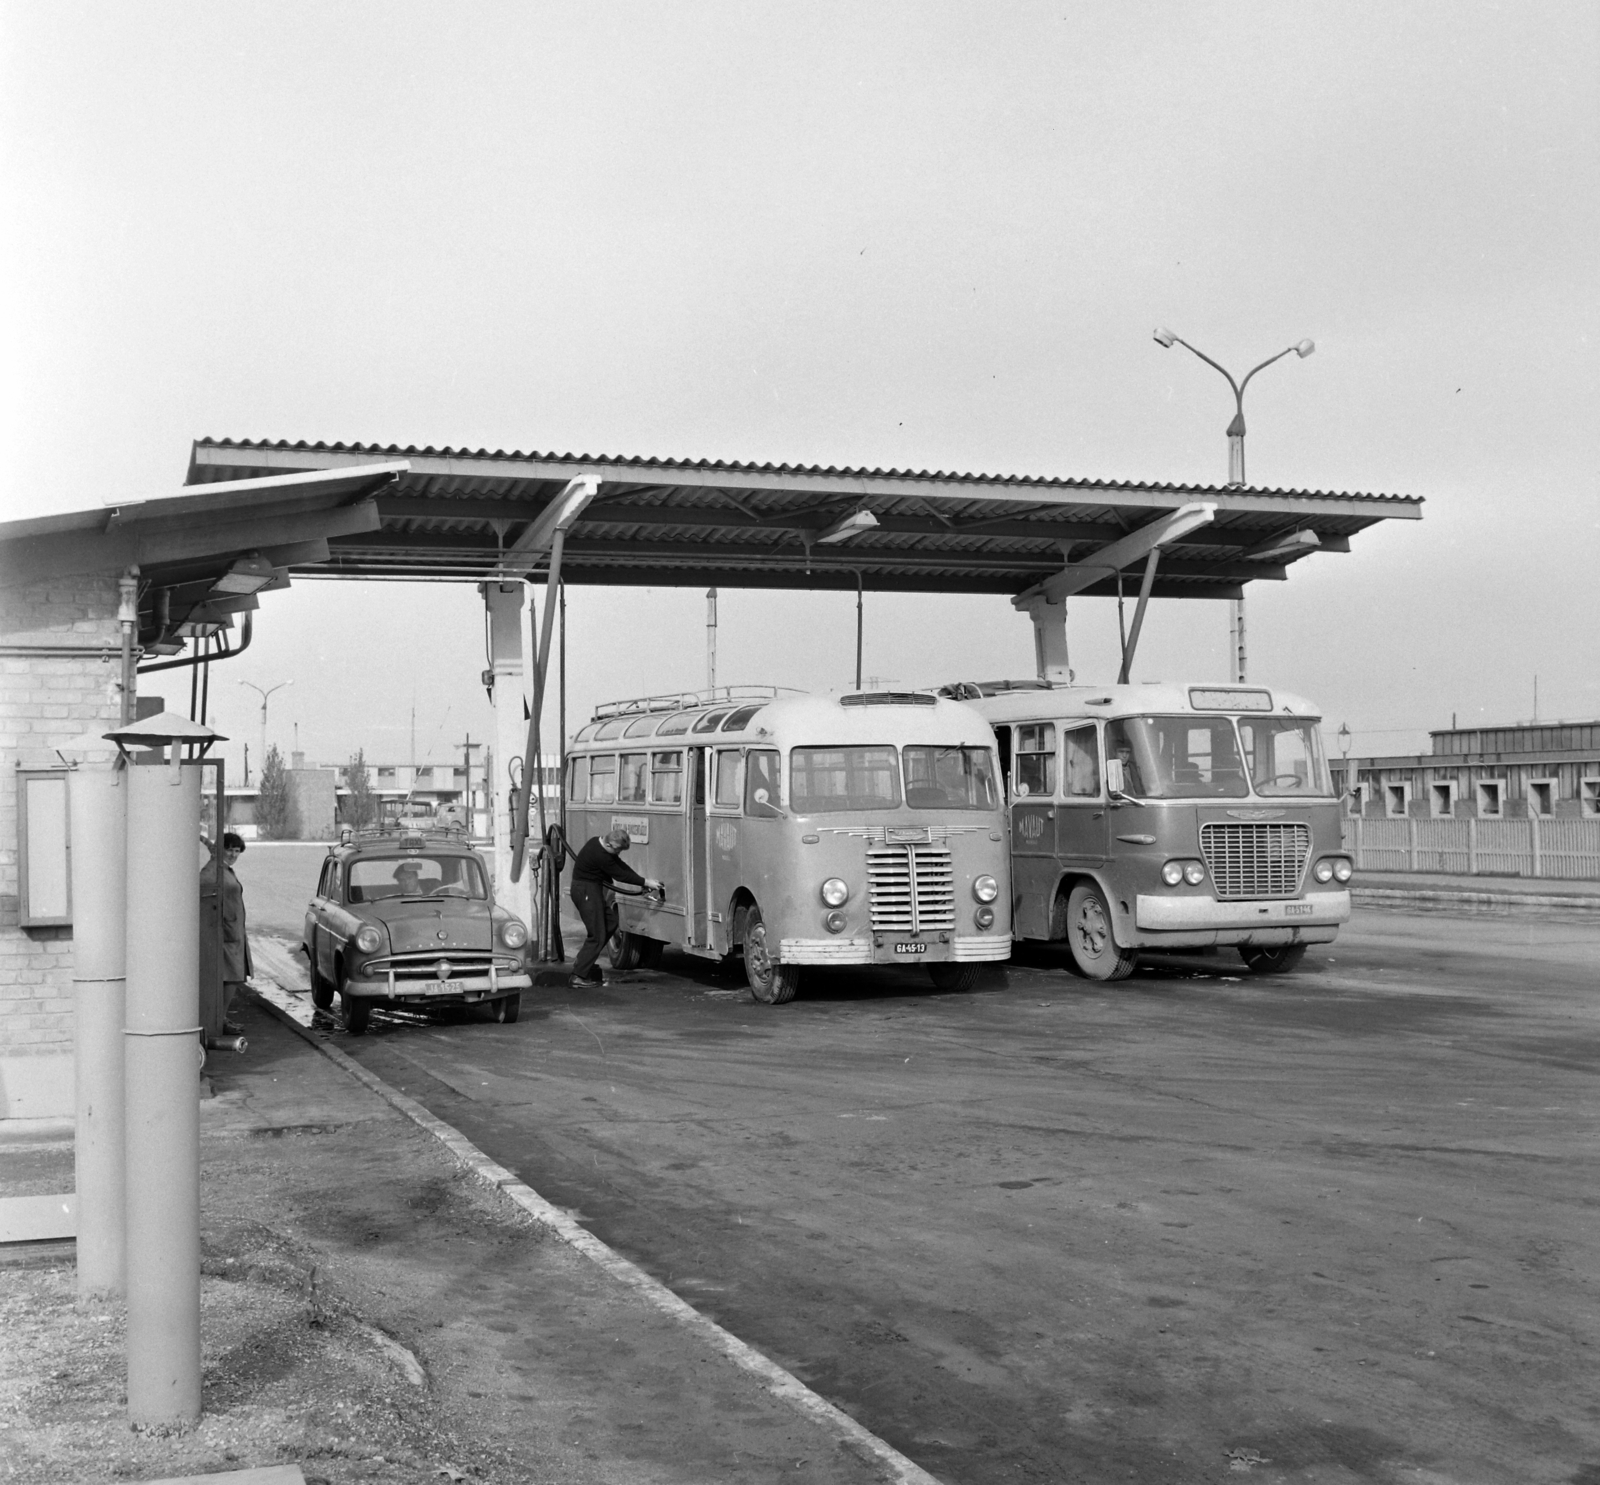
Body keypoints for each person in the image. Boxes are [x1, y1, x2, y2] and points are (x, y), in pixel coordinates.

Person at [568, 827, 662, 988]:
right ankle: (578, 976)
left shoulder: (597, 842)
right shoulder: (600, 855)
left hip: (591, 890)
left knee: (611, 922)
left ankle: (583, 961)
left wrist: (642, 880)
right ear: (610, 844)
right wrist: (645, 883)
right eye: (618, 850)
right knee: (597, 934)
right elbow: (620, 874)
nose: (618, 853)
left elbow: (620, 866)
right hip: (585, 891)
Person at [200, 832, 252, 1035]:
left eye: (237, 851)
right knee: (231, 976)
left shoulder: (225, 869)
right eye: (229, 849)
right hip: (224, 934)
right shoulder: (214, 869)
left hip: (232, 933)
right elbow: (202, 885)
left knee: (233, 976)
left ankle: (219, 1017)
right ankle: (217, 1019)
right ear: (220, 849)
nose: (233, 854)